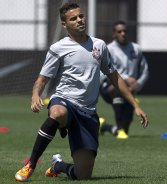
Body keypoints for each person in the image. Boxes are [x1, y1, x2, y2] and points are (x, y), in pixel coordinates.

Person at [15, 3, 148, 182]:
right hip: (64, 100)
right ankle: (31, 164)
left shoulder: (99, 46)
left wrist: (135, 105)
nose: (79, 20)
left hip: (87, 113)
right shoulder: (58, 48)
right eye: (73, 18)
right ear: (64, 24)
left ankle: (58, 165)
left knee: (82, 175)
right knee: (58, 112)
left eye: (81, 16)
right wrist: (35, 95)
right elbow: (42, 79)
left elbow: (115, 77)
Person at [99, 20, 149, 139]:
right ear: (114, 34)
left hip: (130, 90)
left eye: (125, 31)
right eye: (119, 31)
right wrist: (126, 79)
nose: (123, 33)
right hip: (108, 86)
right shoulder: (108, 49)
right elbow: (105, 71)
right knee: (117, 90)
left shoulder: (136, 49)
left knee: (125, 131)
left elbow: (145, 70)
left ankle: (106, 127)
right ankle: (119, 128)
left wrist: (137, 85)